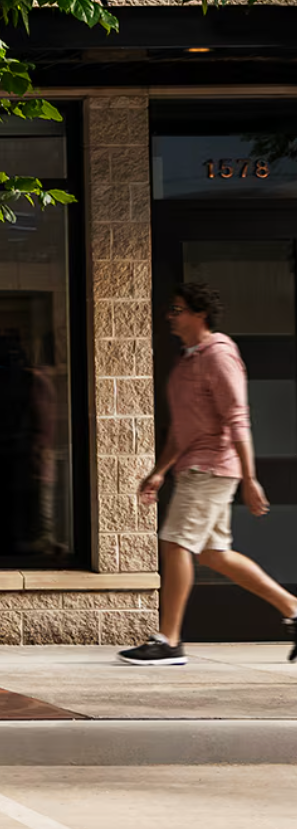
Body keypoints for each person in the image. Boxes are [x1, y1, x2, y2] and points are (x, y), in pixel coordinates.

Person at [119, 283, 297, 666]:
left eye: (177, 309)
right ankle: (293, 608)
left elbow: (238, 418)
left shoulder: (219, 356)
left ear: (200, 314)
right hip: (193, 465)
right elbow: (182, 430)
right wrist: (159, 472)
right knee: (215, 554)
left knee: (176, 543)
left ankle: (169, 640)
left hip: (212, 466)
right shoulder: (188, 360)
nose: (170, 315)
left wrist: (250, 478)